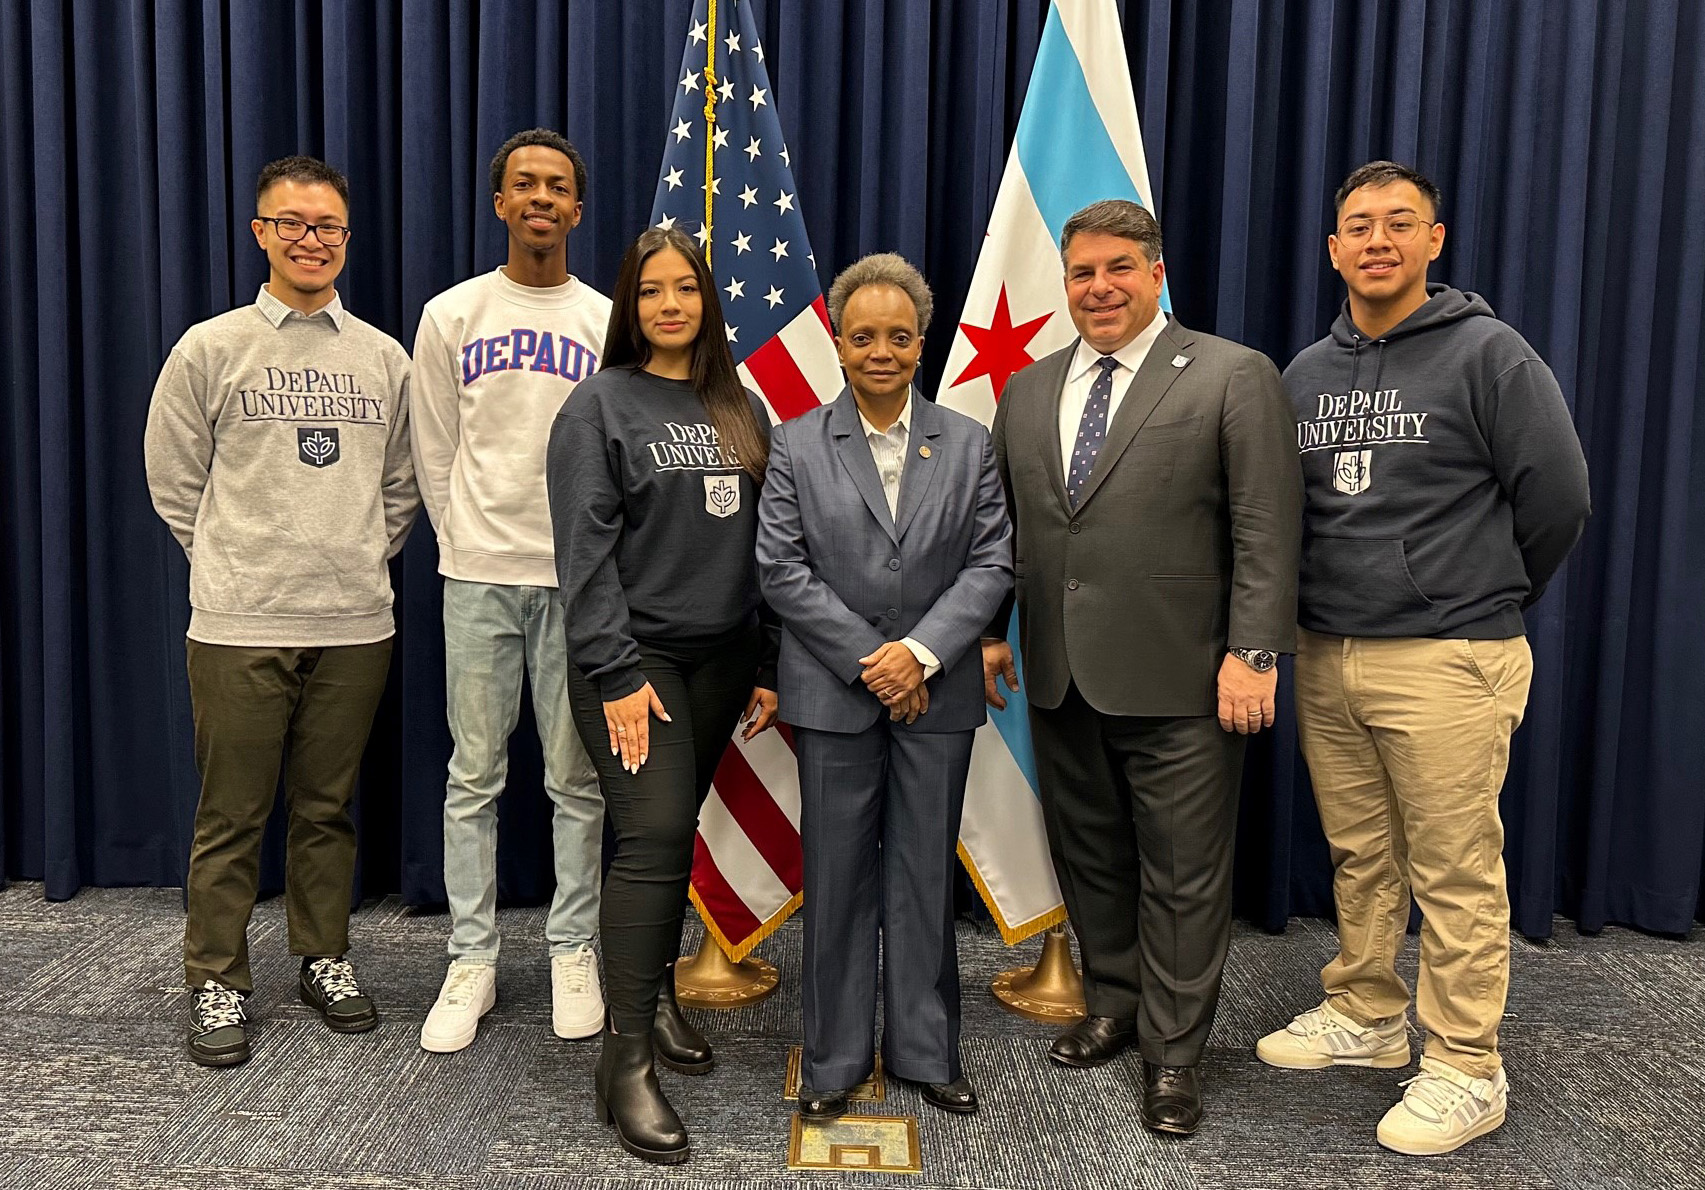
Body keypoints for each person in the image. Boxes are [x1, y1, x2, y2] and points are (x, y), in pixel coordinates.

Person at [1256, 161, 1590, 1156]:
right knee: (1363, 853)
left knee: (1454, 868)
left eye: (1399, 223)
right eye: (1357, 225)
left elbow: (1558, 498)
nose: (1377, 240)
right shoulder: (1303, 374)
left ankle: (1463, 1064)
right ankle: (1366, 1012)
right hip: (1328, 650)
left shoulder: (1490, 355)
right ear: (1332, 249)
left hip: (1449, 655)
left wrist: (1475, 593)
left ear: (1433, 240)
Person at [985, 198, 1302, 1135]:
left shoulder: (1231, 375)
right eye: (1082, 273)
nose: (1099, 287)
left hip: (1188, 681)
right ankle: (1115, 1005)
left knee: (1182, 874)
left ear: (1156, 272)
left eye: (1118, 268)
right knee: (1092, 860)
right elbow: (1006, 527)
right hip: (1059, 673)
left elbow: (1265, 529)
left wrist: (1251, 654)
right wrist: (996, 629)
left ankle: (1174, 1055)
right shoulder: (1030, 391)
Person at [143, 155, 419, 1068]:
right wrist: (233, 559)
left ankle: (323, 956)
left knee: (327, 808)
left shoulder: (382, 356)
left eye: (327, 227)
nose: (311, 241)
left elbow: (403, 484)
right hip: (238, 622)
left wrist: (347, 558)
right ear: (261, 233)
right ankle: (216, 978)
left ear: (346, 238)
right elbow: (174, 480)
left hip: (352, 623)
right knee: (231, 815)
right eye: (292, 225)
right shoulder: (211, 348)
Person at [756, 254, 1012, 1122]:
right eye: (862, 335)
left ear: (920, 342)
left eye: (897, 336)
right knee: (835, 880)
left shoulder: (969, 441)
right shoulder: (793, 441)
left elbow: (991, 563)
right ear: (836, 340)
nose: (880, 351)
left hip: (936, 697)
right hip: (835, 695)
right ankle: (831, 1059)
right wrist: (877, 659)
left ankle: (923, 1049)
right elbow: (780, 569)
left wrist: (923, 655)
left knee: (920, 877)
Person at [546, 226, 779, 1165]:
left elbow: (765, 552)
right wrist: (615, 675)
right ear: (629, 305)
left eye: (685, 288)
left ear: (707, 302)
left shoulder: (740, 405)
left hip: (723, 663)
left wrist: (765, 662)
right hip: (633, 666)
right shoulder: (596, 406)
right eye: (651, 292)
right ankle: (626, 1059)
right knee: (648, 840)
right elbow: (584, 556)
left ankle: (659, 997)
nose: (669, 305)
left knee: (675, 829)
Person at [411, 128, 610, 1054]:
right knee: (473, 780)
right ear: (499, 203)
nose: (540, 198)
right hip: (481, 580)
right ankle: (472, 959)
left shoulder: (607, 322)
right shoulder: (451, 314)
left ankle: (573, 949)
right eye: (523, 184)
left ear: (576, 208)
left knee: (576, 781)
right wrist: (466, 545)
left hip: (576, 587)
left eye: (557, 187)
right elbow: (434, 445)